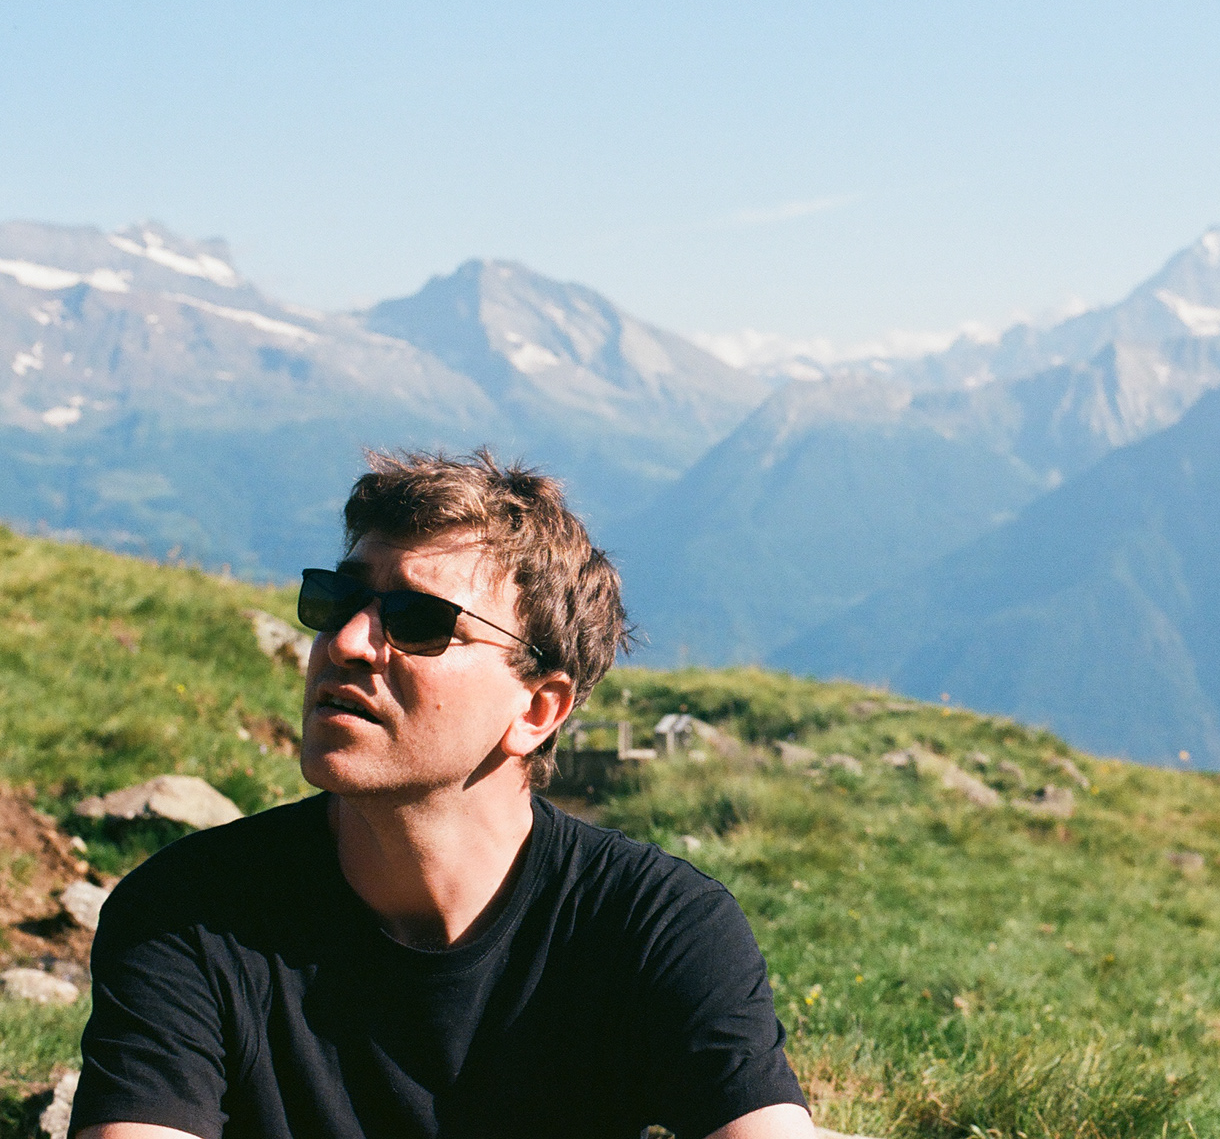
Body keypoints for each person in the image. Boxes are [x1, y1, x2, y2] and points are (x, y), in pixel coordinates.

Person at [72, 450, 815, 1139]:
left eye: (419, 621)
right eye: (338, 599)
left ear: (538, 710)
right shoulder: (191, 913)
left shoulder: (655, 925)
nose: (347, 642)